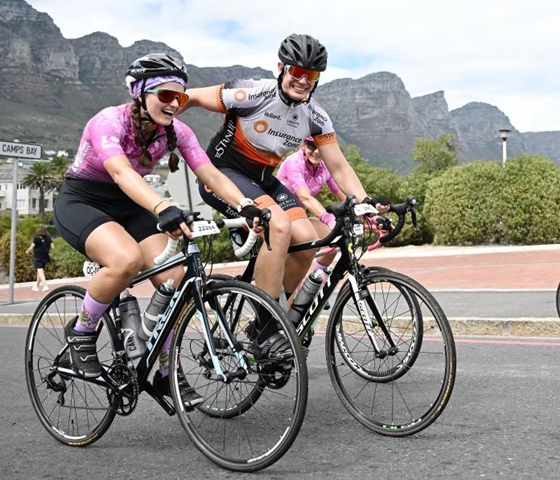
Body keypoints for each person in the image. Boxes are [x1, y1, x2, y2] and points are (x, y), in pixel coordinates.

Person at [53, 53, 265, 409]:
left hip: (132, 203)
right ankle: (82, 333)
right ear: (139, 93)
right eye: (164, 95)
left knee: (177, 278)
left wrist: (245, 205)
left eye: (179, 98)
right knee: (126, 260)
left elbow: (210, 175)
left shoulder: (177, 131)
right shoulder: (108, 121)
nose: (173, 104)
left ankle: (165, 371)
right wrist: (162, 206)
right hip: (83, 201)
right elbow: (121, 172)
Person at [182, 33, 387, 355]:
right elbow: (188, 97)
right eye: (297, 72)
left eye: (312, 76)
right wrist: (159, 127)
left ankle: (279, 317)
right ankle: (266, 331)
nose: (303, 81)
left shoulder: (315, 117)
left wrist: (365, 202)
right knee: (278, 225)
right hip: (223, 176)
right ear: (282, 67)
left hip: (264, 179)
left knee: (305, 239)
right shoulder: (250, 93)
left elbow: (339, 167)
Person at [276, 136, 347, 275]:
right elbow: (305, 197)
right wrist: (328, 218)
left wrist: (367, 215)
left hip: (299, 217)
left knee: (333, 242)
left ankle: (313, 285)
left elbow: (341, 193)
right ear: (303, 145)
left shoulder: (324, 166)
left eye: (320, 147)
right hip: (280, 217)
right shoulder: (294, 163)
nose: (316, 151)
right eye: (311, 146)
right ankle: (290, 291)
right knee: (303, 256)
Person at [26, 226, 54, 292]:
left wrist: (27, 251)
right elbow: (53, 247)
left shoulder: (36, 239)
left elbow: (32, 247)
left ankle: (45, 285)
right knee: (39, 272)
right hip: (45, 258)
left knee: (40, 272)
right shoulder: (49, 238)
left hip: (38, 257)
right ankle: (36, 286)